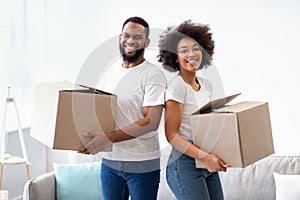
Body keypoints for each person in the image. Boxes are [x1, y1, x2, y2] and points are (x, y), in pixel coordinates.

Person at [78, 16, 166, 200]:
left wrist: (107, 138)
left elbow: (151, 121)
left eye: (137, 37)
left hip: (142, 162)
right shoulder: (110, 73)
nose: (131, 41)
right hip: (110, 161)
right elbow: (100, 112)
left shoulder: (153, 75)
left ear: (146, 42)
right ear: (120, 37)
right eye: (127, 35)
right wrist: (86, 139)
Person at [157, 20, 229, 200]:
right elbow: (171, 135)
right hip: (184, 164)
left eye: (196, 48)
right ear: (174, 57)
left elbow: (210, 124)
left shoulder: (206, 85)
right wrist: (205, 156)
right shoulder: (176, 88)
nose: (192, 54)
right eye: (184, 50)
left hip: (206, 159)